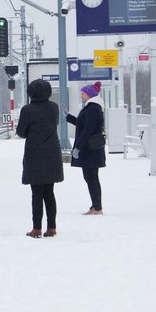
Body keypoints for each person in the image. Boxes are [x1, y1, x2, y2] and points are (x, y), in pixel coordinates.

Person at [16, 79, 64, 238]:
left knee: (36, 193)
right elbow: (54, 123)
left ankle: (36, 228)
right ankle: (52, 228)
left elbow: (21, 132)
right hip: (51, 152)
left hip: (34, 153)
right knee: (49, 192)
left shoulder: (27, 110)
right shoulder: (53, 108)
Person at [67, 82, 106, 215]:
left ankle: (97, 207)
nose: (81, 96)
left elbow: (87, 131)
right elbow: (83, 124)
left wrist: (77, 147)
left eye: (83, 93)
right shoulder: (92, 107)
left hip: (90, 150)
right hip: (91, 150)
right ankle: (96, 206)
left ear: (89, 94)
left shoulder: (92, 109)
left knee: (91, 178)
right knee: (91, 177)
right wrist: (68, 117)